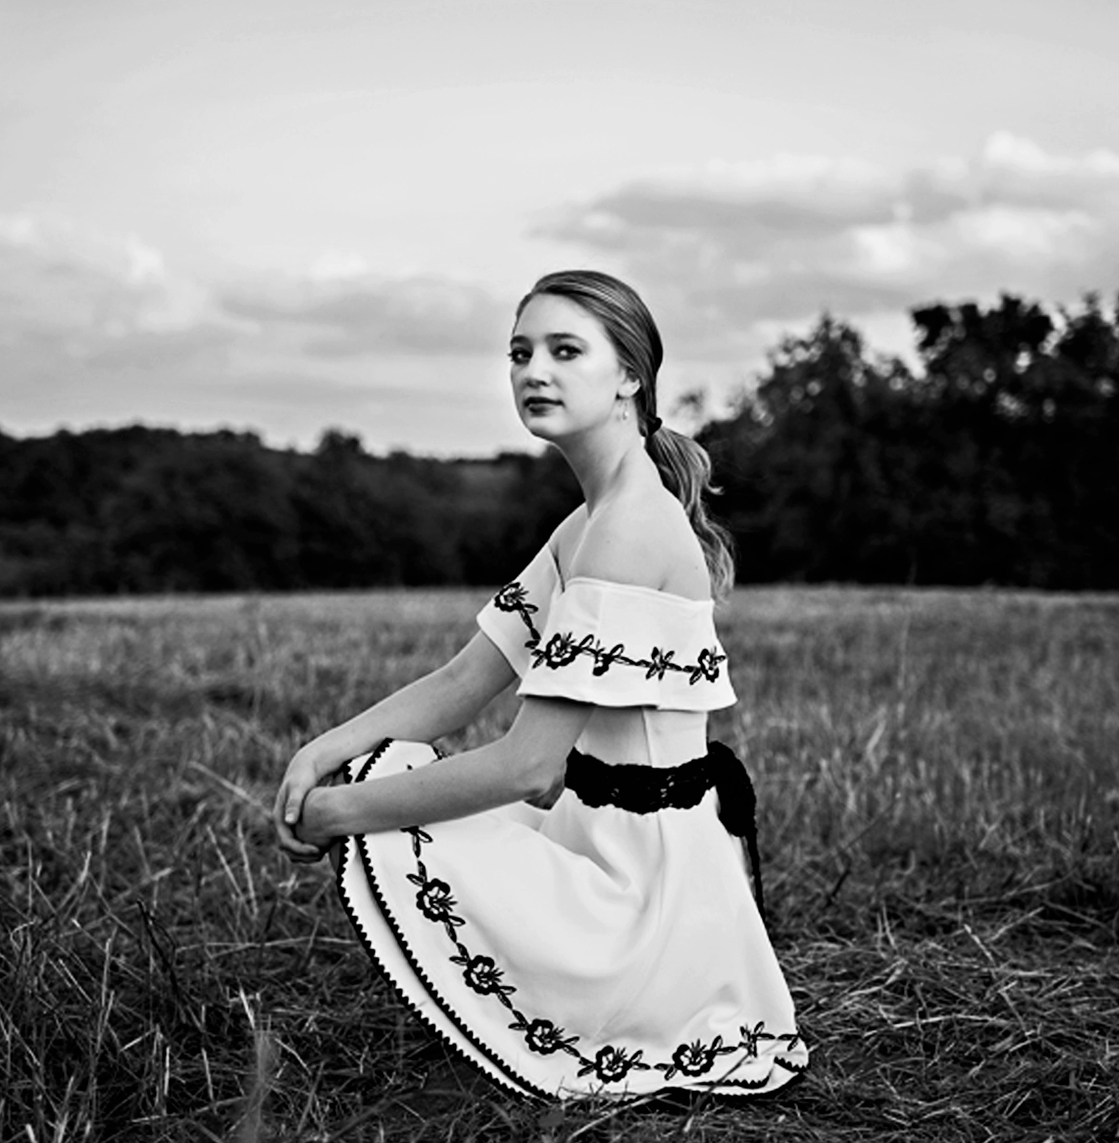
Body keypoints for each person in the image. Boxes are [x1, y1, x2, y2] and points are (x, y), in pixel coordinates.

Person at [273, 269, 808, 1100]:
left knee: (385, 807)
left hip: (645, 890)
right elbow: (465, 678)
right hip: (590, 831)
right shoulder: (589, 518)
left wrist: (340, 812)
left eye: (564, 351)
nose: (533, 372)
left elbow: (527, 765)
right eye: (520, 353)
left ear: (628, 375)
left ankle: (614, 1006)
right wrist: (321, 751)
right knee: (384, 763)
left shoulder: (628, 527)